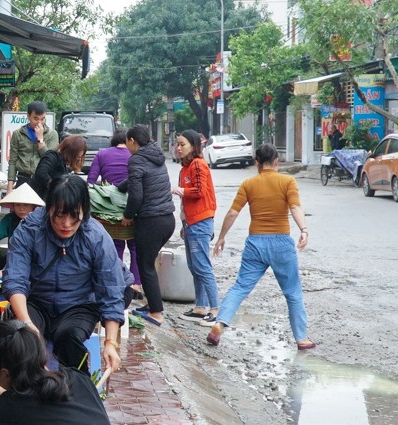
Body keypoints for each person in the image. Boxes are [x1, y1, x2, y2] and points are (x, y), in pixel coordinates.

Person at [1, 174, 125, 375]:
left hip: (78, 305)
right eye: (59, 215)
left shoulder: (96, 237)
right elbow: (15, 278)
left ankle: (77, 391)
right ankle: (24, 393)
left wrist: (110, 343)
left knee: (68, 336)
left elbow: (111, 291)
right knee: (21, 337)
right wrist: (27, 323)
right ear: (48, 208)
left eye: (74, 215)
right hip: (36, 300)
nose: (66, 223)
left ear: (85, 211)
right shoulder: (30, 229)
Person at [208, 144, 314, 350]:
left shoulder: (249, 183)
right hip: (281, 243)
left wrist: (221, 237)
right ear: (276, 161)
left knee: (240, 287)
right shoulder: (287, 181)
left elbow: (232, 213)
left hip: (255, 242)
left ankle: (219, 324)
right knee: (292, 292)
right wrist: (304, 230)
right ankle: (301, 338)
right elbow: (295, 207)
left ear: (256, 162)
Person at [122, 125, 176, 327]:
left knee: (145, 266)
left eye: (127, 142)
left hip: (151, 221)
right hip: (167, 219)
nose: (127, 146)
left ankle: (156, 312)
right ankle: (152, 304)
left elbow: (136, 196)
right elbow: (139, 181)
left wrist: (128, 215)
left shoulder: (136, 159)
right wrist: (119, 186)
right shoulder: (156, 156)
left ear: (132, 141)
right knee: (149, 264)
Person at [171, 131, 220, 325]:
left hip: (200, 222)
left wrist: (179, 190)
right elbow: (186, 201)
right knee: (195, 267)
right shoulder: (185, 168)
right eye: (178, 144)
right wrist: (184, 223)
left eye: (182, 144)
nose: (179, 148)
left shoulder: (199, 164)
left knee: (203, 267)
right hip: (191, 223)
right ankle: (200, 307)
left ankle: (215, 310)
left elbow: (200, 191)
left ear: (193, 145)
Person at [88, 128, 141, 297]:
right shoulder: (135, 155)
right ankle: (136, 285)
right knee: (134, 247)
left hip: (108, 209)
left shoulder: (102, 154)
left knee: (114, 245)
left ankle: (116, 281)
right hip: (134, 207)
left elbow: (91, 181)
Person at [6, 101, 58, 187]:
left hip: (42, 180)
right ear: (28, 116)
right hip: (23, 179)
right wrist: (9, 188)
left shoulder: (52, 134)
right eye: (36, 118)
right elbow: (12, 162)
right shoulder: (18, 134)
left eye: (42, 119)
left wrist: (40, 139)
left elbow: (50, 160)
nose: (39, 123)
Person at [29, 134, 88, 200]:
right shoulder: (52, 156)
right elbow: (41, 173)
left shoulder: (64, 165)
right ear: (71, 152)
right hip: (39, 197)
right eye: (77, 156)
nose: (79, 159)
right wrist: (56, 187)